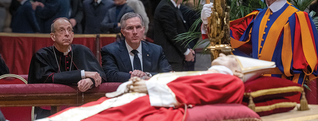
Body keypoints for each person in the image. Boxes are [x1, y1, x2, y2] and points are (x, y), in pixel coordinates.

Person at [36, 54, 244, 121]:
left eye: (229, 57)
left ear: (236, 70)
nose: (223, 55)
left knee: (104, 115)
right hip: (138, 93)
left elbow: (194, 93)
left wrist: (148, 87)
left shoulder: (230, 80)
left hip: (151, 99)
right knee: (90, 110)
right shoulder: (207, 73)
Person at [28, 17, 106, 88]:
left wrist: (90, 81)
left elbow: (100, 75)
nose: (67, 34)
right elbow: (47, 78)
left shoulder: (83, 51)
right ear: (53, 36)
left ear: (72, 35)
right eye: (61, 30)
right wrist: (83, 74)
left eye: (69, 30)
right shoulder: (42, 55)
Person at [101, 12, 172, 82]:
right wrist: (134, 76)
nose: (135, 32)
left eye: (138, 27)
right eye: (130, 28)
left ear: (143, 30)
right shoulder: (110, 51)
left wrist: (146, 75)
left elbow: (167, 72)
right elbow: (109, 74)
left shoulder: (156, 50)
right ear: (123, 32)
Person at [154, 0, 195, 71]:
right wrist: (186, 51)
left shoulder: (173, 6)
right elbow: (172, 34)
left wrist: (188, 49)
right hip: (170, 57)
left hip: (176, 54)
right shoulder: (166, 8)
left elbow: (180, 31)